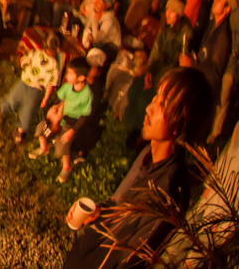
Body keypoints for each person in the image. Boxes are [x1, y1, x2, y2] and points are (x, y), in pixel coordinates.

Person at [62, 68, 213, 269]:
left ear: (180, 122)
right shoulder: (147, 155)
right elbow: (119, 204)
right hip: (88, 253)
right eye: (156, 97)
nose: (149, 107)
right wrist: (98, 211)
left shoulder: (168, 191)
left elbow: (133, 260)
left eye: (162, 104)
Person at [182, 0, 235, 142]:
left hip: (204, 91)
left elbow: (214, 72)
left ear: (227, 9)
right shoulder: (212, 25)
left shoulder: (223, 37)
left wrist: (193, 65)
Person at [29, 57, 93, 183]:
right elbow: (58, 98)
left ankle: (66, 166)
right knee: (41, 127)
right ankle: (44, 147)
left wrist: (72, 131)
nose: (67, 76)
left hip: (71, 121)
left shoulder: (87, 95)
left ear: (81, 78)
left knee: (63, 145)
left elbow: (84, 116)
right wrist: (53, 109)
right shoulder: (68, 86)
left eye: (70, 74)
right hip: (59, 116)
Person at [0, 31, 65, 143]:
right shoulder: (38, 55)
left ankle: (20, 130)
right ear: (58, 49)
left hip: (35, 89)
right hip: (25, 83)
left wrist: (45, 98)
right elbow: (50, 84)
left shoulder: (51, 63)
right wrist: (24, 63)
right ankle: (3, 113)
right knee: (14, 99)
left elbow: (50, 84)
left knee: (27, 110)